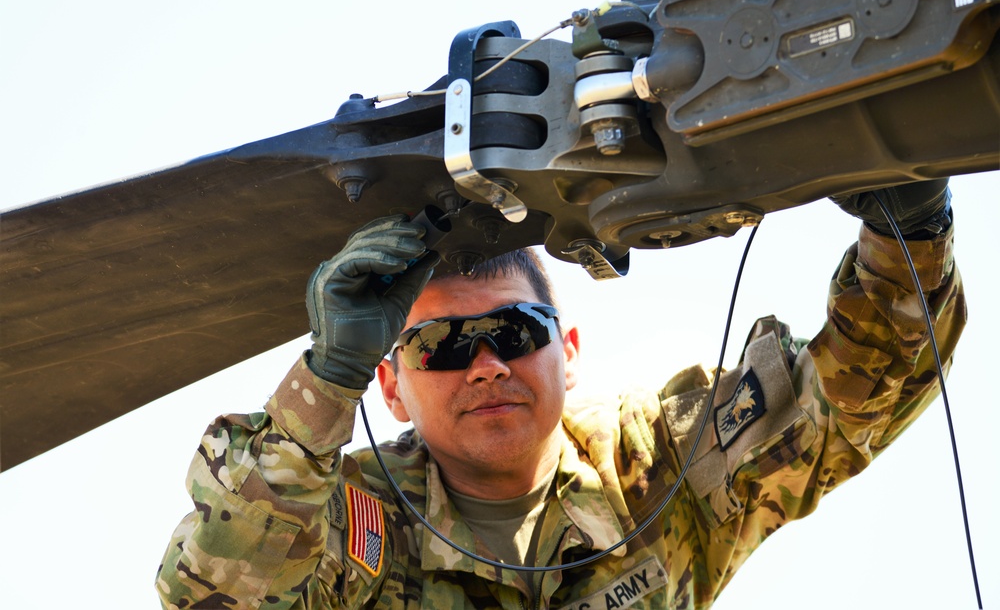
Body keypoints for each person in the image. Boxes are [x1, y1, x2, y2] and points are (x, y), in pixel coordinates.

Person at [156, 180, 963, 609]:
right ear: (393, 389)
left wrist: (910, 228)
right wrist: (326, 381)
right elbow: (215, 596)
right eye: (442, 347)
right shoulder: (347, 524)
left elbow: (852, 396)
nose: (486, 367)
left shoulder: (652, 468)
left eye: (514, 333)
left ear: (565, 353)